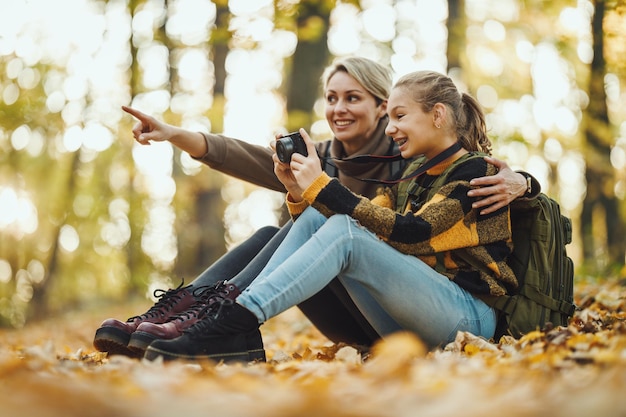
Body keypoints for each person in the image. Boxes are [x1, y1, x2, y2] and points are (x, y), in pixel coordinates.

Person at [93, 58, 536, 358]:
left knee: (341, 225)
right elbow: (247, 161)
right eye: (332, 98)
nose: (338, 109)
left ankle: (227, 321)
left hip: (463, 314)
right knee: (301, 226)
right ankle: (199, 316)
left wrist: (524, 182)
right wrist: (175, 134)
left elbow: (413, 231)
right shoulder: (383, 166)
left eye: (354, 98)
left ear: (387, 109)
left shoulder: (440, 162)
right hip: (392, 307)